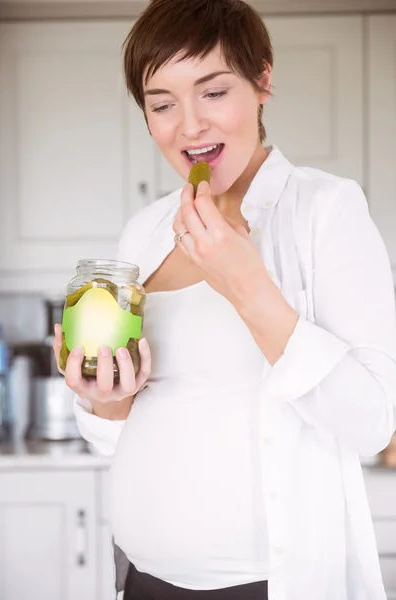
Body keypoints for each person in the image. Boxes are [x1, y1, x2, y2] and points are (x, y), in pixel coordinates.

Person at [53, 1, 396, 599]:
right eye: (162, 104)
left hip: (265, 585)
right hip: (141, 576)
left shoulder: (325, 209)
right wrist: (105, 400)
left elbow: (372, 425)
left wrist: (247, 286)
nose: (189, 126)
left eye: (213, 92)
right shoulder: (146, 230)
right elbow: (127, 432)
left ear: (263, 80)